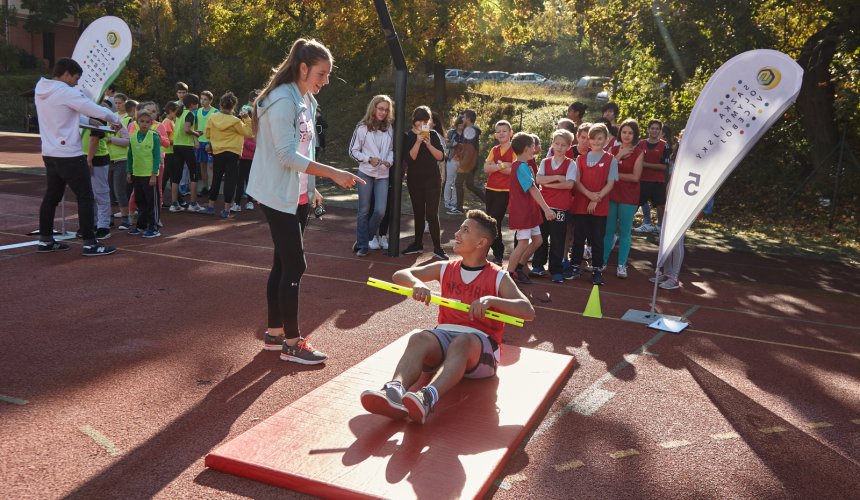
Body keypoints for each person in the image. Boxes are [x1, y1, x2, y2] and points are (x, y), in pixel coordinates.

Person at [247, 38, 363, 364]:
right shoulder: (283, 100)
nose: (325, 81)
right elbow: (286, 155)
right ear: (302, 69)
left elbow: (306, 149)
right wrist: (332, 174)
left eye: (327, 75)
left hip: (296, 193)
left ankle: (274, 334)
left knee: (283, 263)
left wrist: (310, 186)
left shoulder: (305, 99)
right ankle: (292, 343)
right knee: (295, 264)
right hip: (277, 193)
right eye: (321, 74)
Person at [360, 210, 537, 424]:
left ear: (481, 242)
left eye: (465, 230)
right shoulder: (445, 268)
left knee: (462, 342)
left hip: (480, 348)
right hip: (445, 339)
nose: (457, 234)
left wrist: (492, 300)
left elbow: (527, 312)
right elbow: (401, 275)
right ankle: (393, 391)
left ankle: (427, 397)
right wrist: (417, 283)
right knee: (420, 337)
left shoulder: (499, 276)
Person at [35, 58, 119, 256]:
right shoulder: (66, 91)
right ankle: (90, 243)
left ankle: (45, 239)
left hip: (50, 152)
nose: (76, 82)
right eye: (76, 78)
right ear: (66, 74)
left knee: (51, 197)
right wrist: (115, 119)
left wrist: (87, 120)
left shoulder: (42, 89)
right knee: (86, 197)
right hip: (70, 154)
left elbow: (62, 114)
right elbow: (93, 107)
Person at [569, 123, 618, 285]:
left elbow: (610, 184)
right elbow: (577, 181)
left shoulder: (611, 160)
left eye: (600, 138)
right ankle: (575, 266)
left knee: (597, 239)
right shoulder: (580, 159)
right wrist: (589, 195)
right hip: (581, 204)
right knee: (578, 238)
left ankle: (597, 270)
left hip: (599, 206)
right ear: (588, 140)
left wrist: (594, 199)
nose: (596, 142)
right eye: (593, 138)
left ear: (606, 139)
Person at [505, 132, 556, 284]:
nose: (535, 148)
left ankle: (519, 268)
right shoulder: (520, 167)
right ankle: (508, 276)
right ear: (527, 148)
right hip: (523, 212)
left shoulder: (523, 166)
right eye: (533, 146)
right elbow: (533, 189)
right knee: (522, 243)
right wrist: (547, 209)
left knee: (538, 240)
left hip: (529, 211)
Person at [349, 95, 394, 256]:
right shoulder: (362, 127)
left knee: (380, 210)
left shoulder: (389, 128)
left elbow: (391, 150)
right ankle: (363, 245)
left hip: (383, 174)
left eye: (386, 109)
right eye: (380, 108)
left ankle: (364, 237)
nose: (383, 112)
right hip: (365, 173)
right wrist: (368, 159)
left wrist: (389, 161)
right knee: (364, 210)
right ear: (373, 108)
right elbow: (353, 151)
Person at [402, 105, 447, 260]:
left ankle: (438, 248)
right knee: (419, 213)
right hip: (415, 180)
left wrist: (428, 144)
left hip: (433, 179)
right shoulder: (408, 136)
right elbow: (410, 158)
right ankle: (417, 243)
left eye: (425, 121)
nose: (422, 125)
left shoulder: (433, 135)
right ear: (414, 122)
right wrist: (417, 142)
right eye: (419, 122)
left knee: (432, 214)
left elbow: (441, 156)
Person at [532, 129, 576, 283]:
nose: (559, 147)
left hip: (560, 207)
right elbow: (538, 180)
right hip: (544, 205)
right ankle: (538, 265)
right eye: (557, 143)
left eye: (563, 145)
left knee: (558, 239)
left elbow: (569, 185)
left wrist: (548, 183)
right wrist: (557, 178)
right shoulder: (545, 162)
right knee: (541, 236)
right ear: (552, 144)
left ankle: (556, 270)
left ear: (569, 147)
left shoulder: (571, 164)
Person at [603, 119, 644, 279]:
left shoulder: (639, 152)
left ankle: (621, 265)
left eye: (630, 133)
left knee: (625, 231)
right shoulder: (613, 150)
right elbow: (605, 171)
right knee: (608, 230)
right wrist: (618, 155)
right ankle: (603, 262)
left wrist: (615, 175)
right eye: (624, 132)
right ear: (620, 133)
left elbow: (635, 177)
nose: (627, 135)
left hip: (629, 196)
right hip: (612, 193)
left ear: (635, 135)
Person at [203, 91, 254, 218]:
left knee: (216, 178)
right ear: (233, 107)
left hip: (218, 151)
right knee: (230, 180)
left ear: (220, 105)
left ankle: (210, 206)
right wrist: (247, 118)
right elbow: (249, 133)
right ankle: (226, 209)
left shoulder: (212, 118)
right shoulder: (236, 121)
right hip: (233, 152)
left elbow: (207, 134)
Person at [483, 120, 515, 264]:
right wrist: (502, 165)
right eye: (498, 131)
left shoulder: (515, 150)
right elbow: (486, 168)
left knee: (495, 221)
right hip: (490, 189)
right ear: (496, 135)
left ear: (510, 133)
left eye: (504, 131)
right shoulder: (494, 149)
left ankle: (498, 254)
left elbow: (513, 171)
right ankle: (490, 251)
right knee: (488, 220)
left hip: (504, 191)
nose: (501, 133)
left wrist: (495, 166)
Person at [126, 110, 161, 238]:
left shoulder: (154, 136)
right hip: (137, 174)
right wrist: (129, 171)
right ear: (137, 122)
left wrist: (154, 174)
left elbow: (157, 156)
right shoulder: (133, 136)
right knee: (140, 201)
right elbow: (130, 155)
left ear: (151, 123)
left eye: (147, 122)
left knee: (151, 202)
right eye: (142, 121)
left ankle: (154, 227)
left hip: (149, 175)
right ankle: (141, 225)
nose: (144, 124)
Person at [82, 102, 114, 240]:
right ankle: (92, 223)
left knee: (100, 193)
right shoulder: (85, 117)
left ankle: (103, 226)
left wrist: (89, 160)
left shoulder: (98, 120)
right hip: (84, 158)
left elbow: (94, 140)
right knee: (88, 194)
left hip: (97, 159)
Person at [634, 119, 670, 234]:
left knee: (660, 205)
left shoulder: (665, 145)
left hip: (658, 181)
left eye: (657, 129)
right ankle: (645, 223)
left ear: (660, 131)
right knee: (636, 203)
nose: (655, 131)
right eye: (652, 128)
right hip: (642, 179)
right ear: (648, 129)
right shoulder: (641, 143)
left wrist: (645, 164)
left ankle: (660, 227)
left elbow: (664, 167)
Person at [172, 93, 205, 212]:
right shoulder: (190, 114)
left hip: (177, 146)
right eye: (197, 103)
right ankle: (193, 203)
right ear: (192, 104)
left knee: (176, 175)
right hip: (186, 146)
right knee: (194, 174)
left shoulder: (180, 113)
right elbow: (186, 129)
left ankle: (174, 203)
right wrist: (196, 133)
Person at [454, 109, 485, 212]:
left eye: (464, 117)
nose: (462, 119)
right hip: (471, 163)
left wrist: (462, 164)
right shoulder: (470, 129)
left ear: (468, 118)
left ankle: (459, 208)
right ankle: (488, 201)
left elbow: (469, 149)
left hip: (468, 164)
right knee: (470, 185)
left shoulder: (470, 130)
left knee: (458, 183)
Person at [195, 90, 217, 195]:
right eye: (201, 99)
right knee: (202, 166)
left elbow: (216, 129)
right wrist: (196, 140)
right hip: (200, 142)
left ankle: (211, 188)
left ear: (210, 100)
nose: (202, 101)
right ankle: (205, 187)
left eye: (205, 99)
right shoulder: (197, 111)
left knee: (211, 167)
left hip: (209, 143)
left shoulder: (215, 112)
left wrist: (210, 142)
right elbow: (194, 127)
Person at [444, 116, 465, 214]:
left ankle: (454, 203)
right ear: (457, 123)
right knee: (449, 181)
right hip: (452, 159)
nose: (461, 125)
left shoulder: (467, 134)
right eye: (460, 123)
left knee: (457, 183)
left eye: (463, 123)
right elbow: (445, 144)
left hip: (462, 161)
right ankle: (447, 202)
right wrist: (454, 143)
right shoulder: (451, 132)